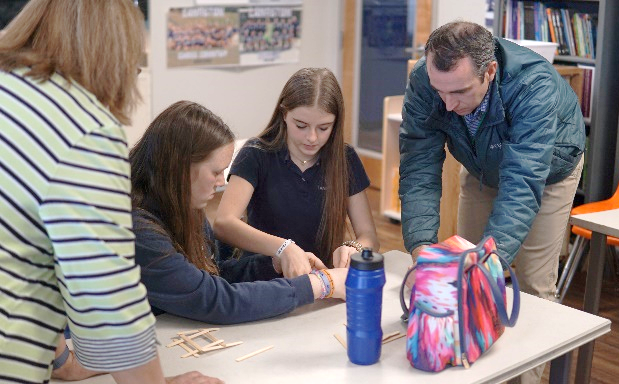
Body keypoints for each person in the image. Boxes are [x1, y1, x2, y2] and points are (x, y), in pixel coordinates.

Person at [0, 1, 220, 383]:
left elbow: (26, 254)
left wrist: (61, 361)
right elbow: (107, 295)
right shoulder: (83, 130)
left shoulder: (13, 91)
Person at [399, 21, 585, 383]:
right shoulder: (427, 79)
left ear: (490, 71)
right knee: (466, 277)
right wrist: (421, 247)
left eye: (460, 92)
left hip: (546, 172)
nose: (448, 104)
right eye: (440, 92)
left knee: (527, 283)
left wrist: (490, 261)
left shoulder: (533, 84)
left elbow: (522, 182)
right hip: (482, 163)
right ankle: (476, 369)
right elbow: (418, 166)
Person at [130, 100, 347, 325]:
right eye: (215, 172)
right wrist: (321, 284)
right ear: (180, 168)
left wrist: (273, 265)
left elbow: (214, 273)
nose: (221, 181)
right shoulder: (140, 231)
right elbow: (216, 300)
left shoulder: (185, 205)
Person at [213, 68, 379, 278]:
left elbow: (369, 236)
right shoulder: (256, 154)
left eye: (323, 128)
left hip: (322, 281)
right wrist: (283, 249)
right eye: (301, 126)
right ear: (284, 114)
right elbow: (224, 223)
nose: (311, 137)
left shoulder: (345, 159)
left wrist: (354, 248)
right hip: (263, 281)